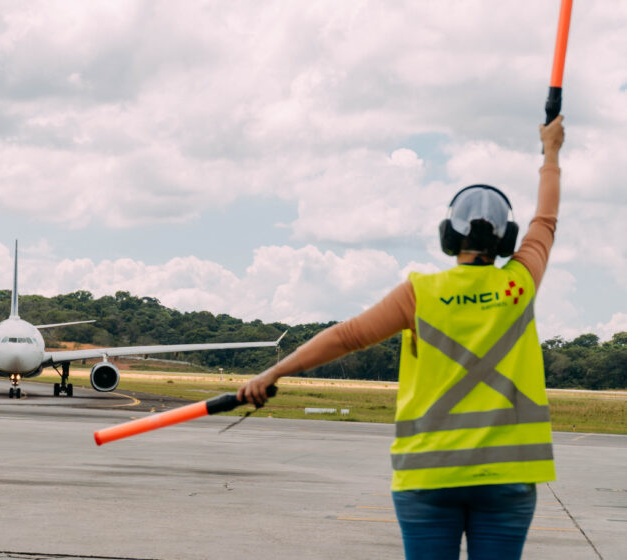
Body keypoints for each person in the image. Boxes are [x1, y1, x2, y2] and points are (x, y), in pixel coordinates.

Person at [238, 116, 565, 560]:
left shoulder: (421, 294)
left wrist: (274, 371)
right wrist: (550, 151)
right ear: (505, 239)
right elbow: (545, 218)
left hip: (427, 476)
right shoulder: (519, 283)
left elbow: (346, 337)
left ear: (449, 235)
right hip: (507, 476)